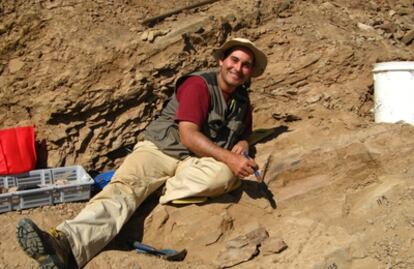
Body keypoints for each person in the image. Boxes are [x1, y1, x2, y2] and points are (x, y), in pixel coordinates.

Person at [16, 37, 268, 269]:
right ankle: (65, 244)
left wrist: (243, 144)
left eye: (246, 65)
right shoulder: (198, 85)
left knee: (226, 177)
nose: (238, 68)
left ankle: (154, 188)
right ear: (221, 61)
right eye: (234, 60)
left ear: (249, 73)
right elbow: (188, 135)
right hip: (160, 150)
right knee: (123, 190)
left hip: (194, 161)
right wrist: (229, 157)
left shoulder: (242, 101)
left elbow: (245, 132)